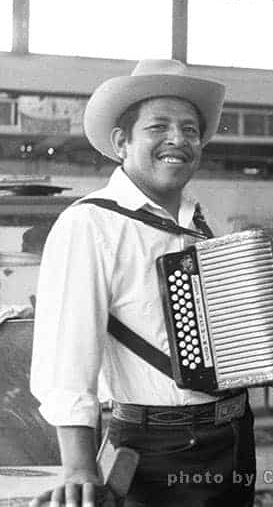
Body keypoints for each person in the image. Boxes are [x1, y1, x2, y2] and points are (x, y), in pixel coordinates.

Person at [29, 59, 256, 507]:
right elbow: (66, 355)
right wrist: (78, 466)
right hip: (158, 448)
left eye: (191, 129)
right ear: (121, 142)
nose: (179, 139)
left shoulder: (201, 223)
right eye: (159, 127)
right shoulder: (89, 223)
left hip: (233, 436)